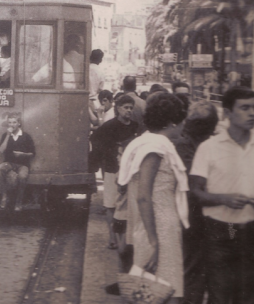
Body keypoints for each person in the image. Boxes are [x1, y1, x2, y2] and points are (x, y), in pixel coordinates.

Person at [118, 93, 189, 302]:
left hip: (156, 227)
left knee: (155, 294)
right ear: (172, 121)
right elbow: (143, 196)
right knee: (161, 294)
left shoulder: (147, 142)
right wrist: (154, 242)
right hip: (158, 231)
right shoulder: (155, 148)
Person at [189, 86, 254, 304]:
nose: (252, 113)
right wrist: (224, 199)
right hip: (221, 230)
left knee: (247, 293)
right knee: (220, 293)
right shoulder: (209, 148)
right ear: (227, 113)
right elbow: (196, 191)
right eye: (245, 108)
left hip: (250, 230)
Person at [172, 100, 219, 304]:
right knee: (195, 268)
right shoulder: (185, 145)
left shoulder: (194, 142)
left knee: (207, 269)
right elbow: (194, 184)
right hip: (195, 218)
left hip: (212, 219)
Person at [90, 95, 138, 249]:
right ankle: (112, 237)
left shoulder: (136, 127)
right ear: (118, 109)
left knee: (128, 205)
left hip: (130, 173)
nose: (129, 111)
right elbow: (95, 139)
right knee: (111, 205)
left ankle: (126, 237)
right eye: (126, 107)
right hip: (112, 169)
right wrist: (108, 153)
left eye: (131, 108)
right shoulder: (109, 126)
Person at [0, 115, 35, 211]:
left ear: (19, 124)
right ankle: (4, 196)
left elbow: (33, 153)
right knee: (0, 168)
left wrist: (23, 154)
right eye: (10, 122)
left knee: (22, 177)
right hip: (9, 163)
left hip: (23, 164)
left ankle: (19, 202)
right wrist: (8, 135)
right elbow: (1, 150)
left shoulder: (26, 136)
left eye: (14, 122)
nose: (12, 124)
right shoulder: (5, 136)